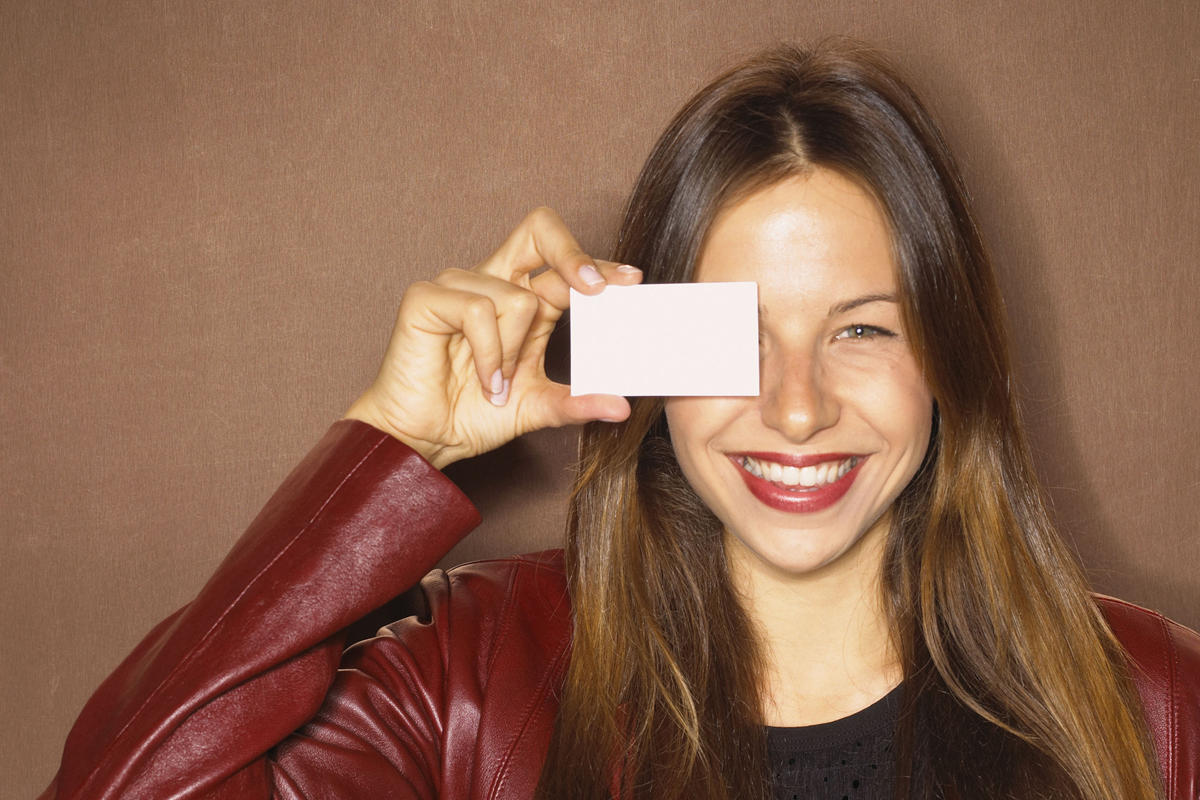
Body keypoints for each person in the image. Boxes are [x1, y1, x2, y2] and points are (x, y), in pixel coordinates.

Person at [40, 40, 1198, 800]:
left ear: (950, 360)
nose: (796, 407)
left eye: (863, 329)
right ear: (650, 355)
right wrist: (390, 452)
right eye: (737, 336)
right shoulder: (469, 678)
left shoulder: (1149, 701)